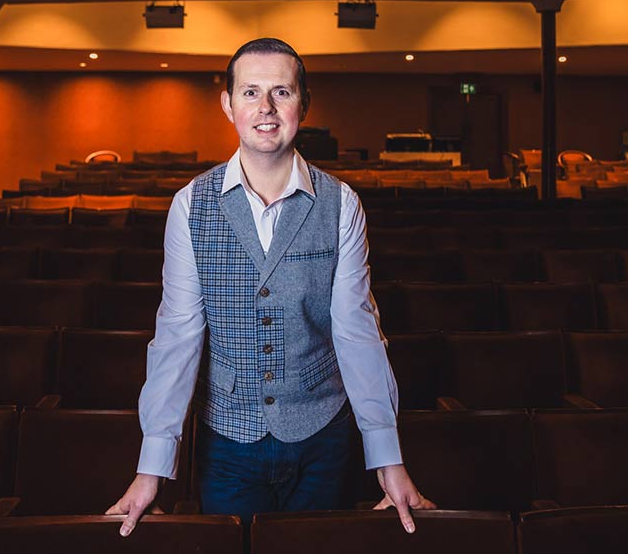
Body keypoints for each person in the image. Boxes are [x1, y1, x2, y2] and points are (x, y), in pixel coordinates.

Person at [107, 37, 432, 535]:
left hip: (324, 436)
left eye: (281, 92)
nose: (265, 108)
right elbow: (177, 336)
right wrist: (152, 466)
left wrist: (387, 457)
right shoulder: (190, 205)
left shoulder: (342, 203)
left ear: (303, 103)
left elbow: (357, 332)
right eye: (250, 92)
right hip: (226, 444)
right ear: (228, 104)